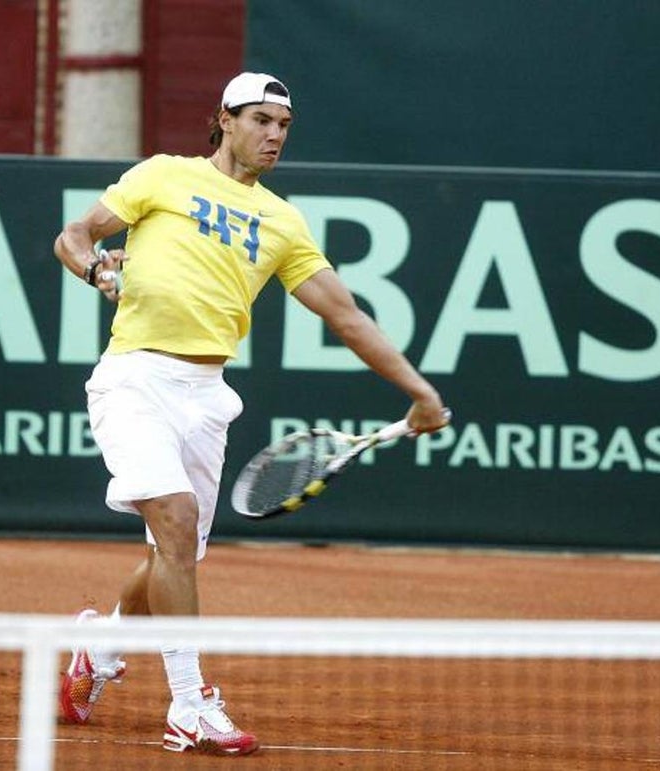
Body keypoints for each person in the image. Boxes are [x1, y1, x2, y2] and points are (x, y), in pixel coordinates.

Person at [52, 71, 448, 756]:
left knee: (169, 557)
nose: (274, 135)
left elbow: (347, 316)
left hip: (207, 398)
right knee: (174, 524)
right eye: (261, 120)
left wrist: (421, 393)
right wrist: (97, 270)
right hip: (135, 377)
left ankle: (99, 646)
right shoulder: (163, 177)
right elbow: (74, 234)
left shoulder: (284, 223)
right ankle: (189, 704)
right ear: (225, 119)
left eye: (284, 126)